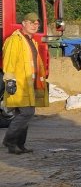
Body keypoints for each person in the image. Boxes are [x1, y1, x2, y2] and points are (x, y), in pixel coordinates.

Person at [2, 12, 47, 154]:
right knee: (27, 113)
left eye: (37, 23)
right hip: (19, 84)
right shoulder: (15, 40)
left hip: (29, 84)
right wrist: (10, 81)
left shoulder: (31, 41)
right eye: (31, 22)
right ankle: (9, 141)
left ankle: (19, 145)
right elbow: (9, 61)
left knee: (22, 114)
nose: (35, 25)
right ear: (23, 23)